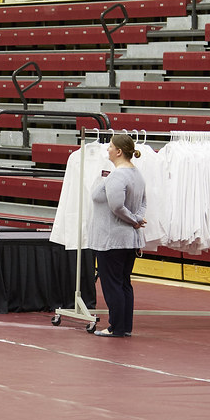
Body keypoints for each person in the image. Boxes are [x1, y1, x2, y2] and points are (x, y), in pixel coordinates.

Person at [88, 134, 147, 338]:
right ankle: (124, 326)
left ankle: (115, 326)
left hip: (112, 238)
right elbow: (143, 202)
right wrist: (137, 219)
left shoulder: (118, 176)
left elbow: (116, 206)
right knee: (123, 282)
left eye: (111, 147)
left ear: (119, 151)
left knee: (112, 284)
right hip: (128, 238)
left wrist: (133, 219)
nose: (108, 150)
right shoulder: (137, 173)